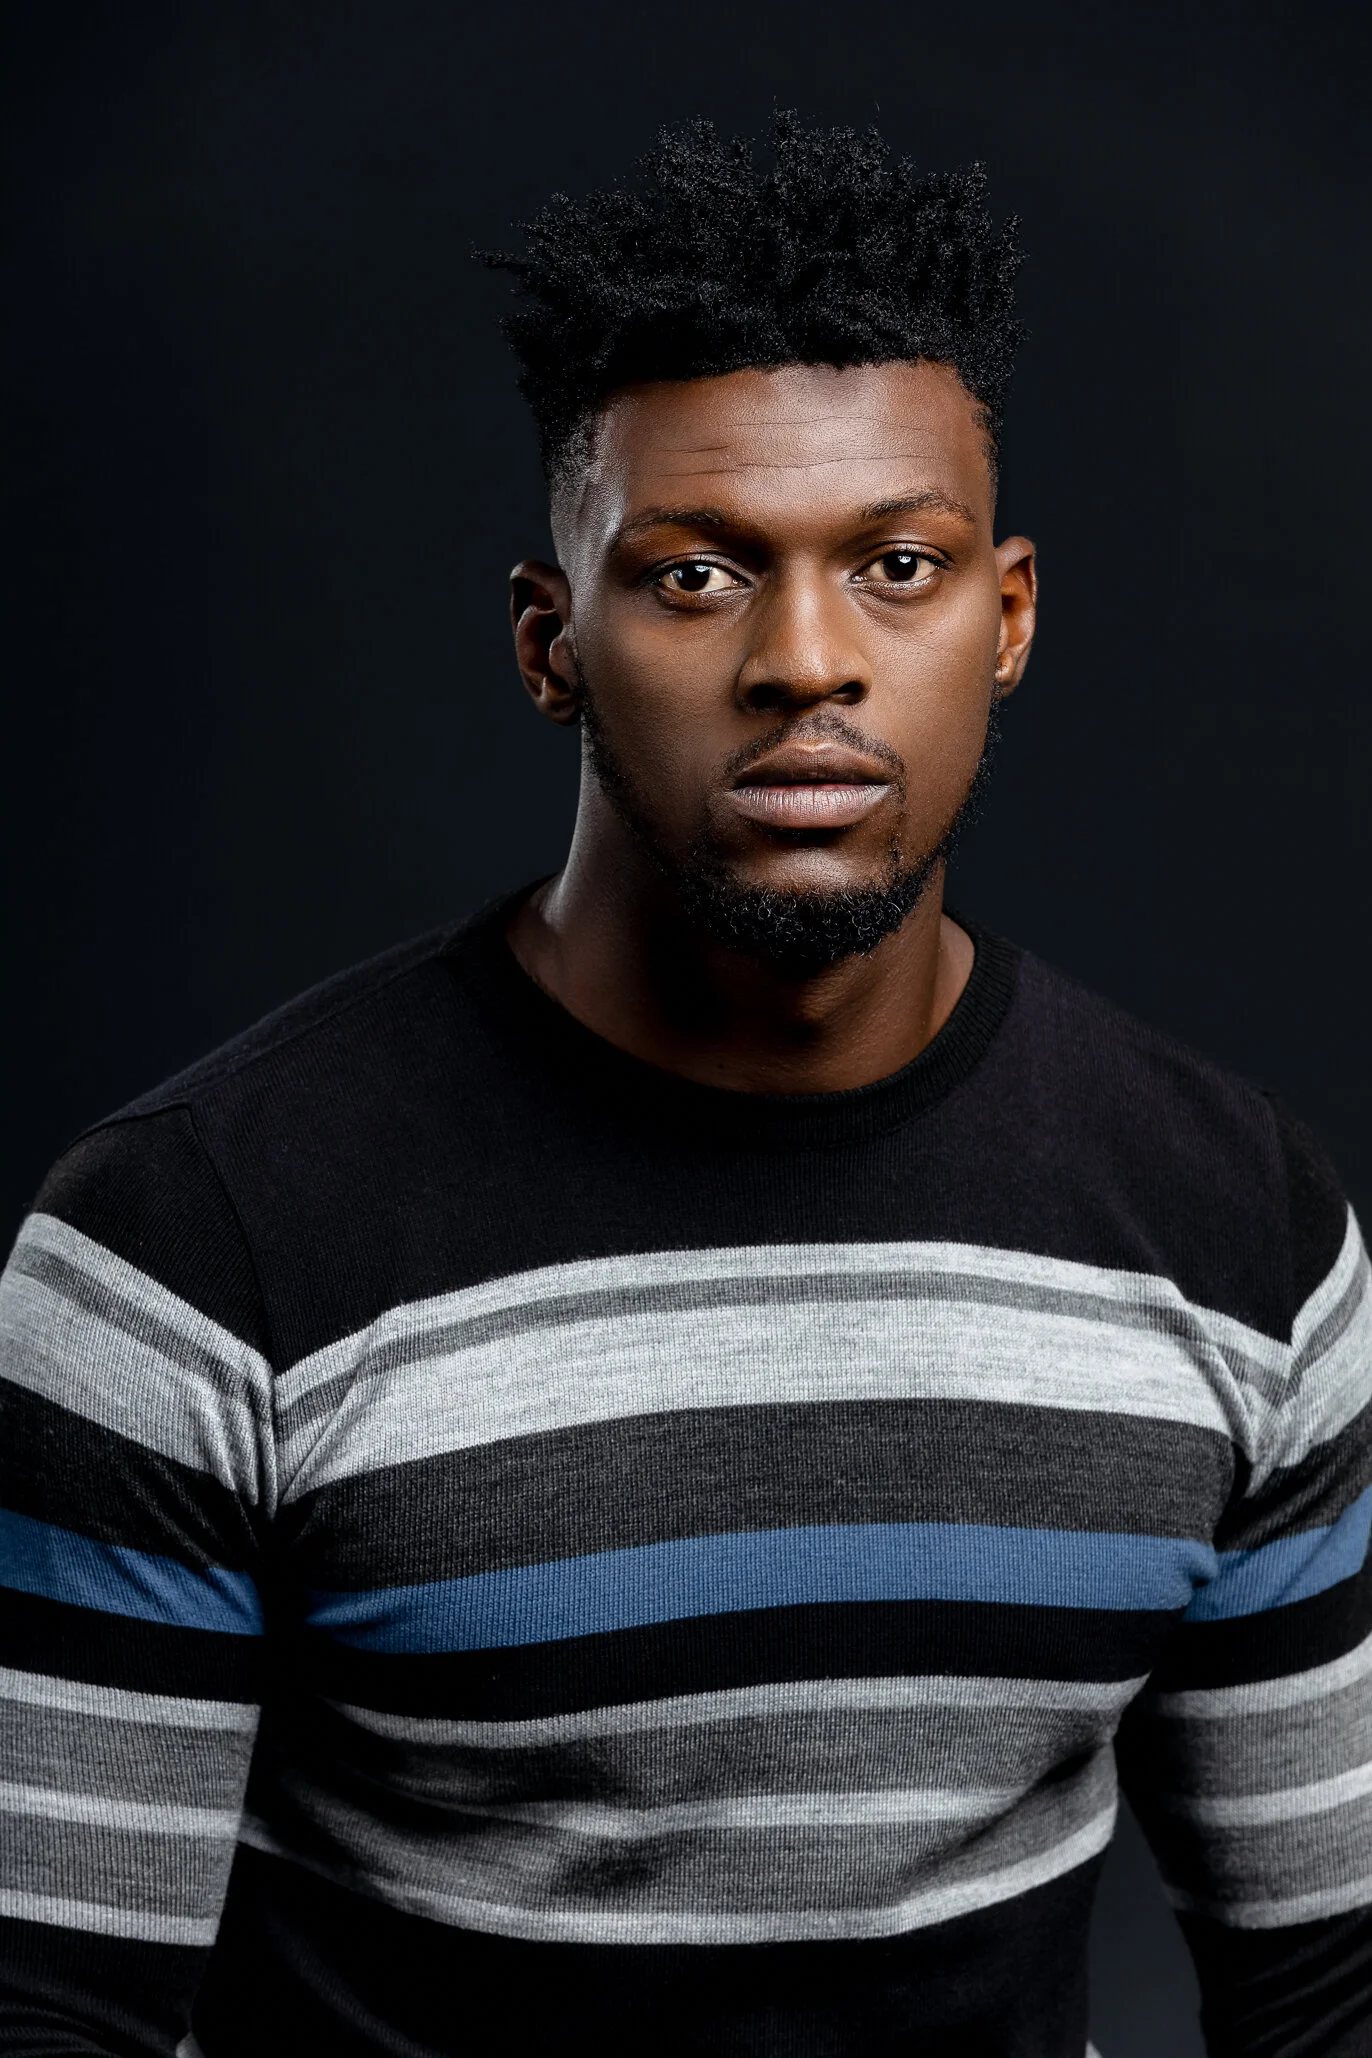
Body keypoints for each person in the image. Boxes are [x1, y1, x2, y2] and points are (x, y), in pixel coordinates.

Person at [0, 113, 1368, 2058]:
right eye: (697, 574)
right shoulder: (190, 1250)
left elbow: (1326, 1984)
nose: (804, 660)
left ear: (1007, 617)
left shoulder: (1235, 1235)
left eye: (894, 564)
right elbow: (51, 2013)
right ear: (549, 643)